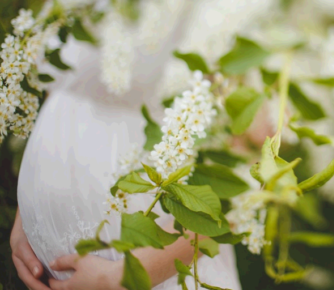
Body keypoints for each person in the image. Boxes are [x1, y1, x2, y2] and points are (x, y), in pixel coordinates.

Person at [9, 0, 272, 289]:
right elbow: (63, 86)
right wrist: (26, 221)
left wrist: (125, 277)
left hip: (153, 273)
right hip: (47, 270)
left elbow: (252, 163)